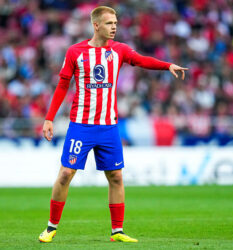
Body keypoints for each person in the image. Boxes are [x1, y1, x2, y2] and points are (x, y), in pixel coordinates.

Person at [39, 6, 187, 243]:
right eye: (109, 23)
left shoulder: (119, 50)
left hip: (109, 127)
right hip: (81, 125)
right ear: (96, 25)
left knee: (116, 176)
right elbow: (62, 85)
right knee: (66, 173)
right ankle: (51, 227)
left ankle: (117, 231)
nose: (114, 27)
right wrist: (49, 118)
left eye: (116, 22)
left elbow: (141, 60)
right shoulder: (75, 52)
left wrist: (166, 65)